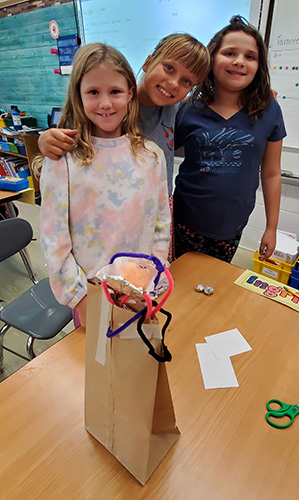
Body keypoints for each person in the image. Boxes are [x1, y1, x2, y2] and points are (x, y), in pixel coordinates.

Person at [39, 43, 171, 327]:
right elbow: (54, 237)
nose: (106, 103)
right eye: (93, 92)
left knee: (137, 361)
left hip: (141, 288)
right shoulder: (63, 159)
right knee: (97, 367)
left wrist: (155, 273)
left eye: (115, 91)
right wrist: (79, 298)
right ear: (79, 95)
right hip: (90, 294)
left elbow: (161, 223)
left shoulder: (152, 156)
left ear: (130, 93)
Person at [37, 34, 210, 196]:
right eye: (169, 68)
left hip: (158, 208)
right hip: (115, 209)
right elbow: (62, 151)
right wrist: (45, 141)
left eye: (186, 81)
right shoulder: (109, 109)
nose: (173, 83)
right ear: (148, 63)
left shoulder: (176, 106)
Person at [173, 15, 286, 263]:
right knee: (178, 290)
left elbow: (271, 173)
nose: (239, 62)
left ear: (259, 66)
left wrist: (271, 228)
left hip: (231, 229)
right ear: (212, 59)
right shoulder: (188, 109)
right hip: (183, 223)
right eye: (229, 53)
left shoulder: (269, 110)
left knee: (213, 291)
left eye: (250, 56)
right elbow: (156, 151)